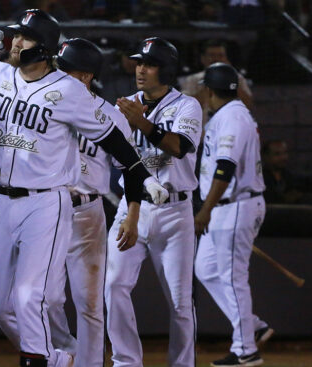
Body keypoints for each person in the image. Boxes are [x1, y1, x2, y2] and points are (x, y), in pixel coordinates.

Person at [0, 9, 156, 366]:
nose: (14, 42)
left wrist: (138, 182)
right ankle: (58, 357)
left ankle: (77, 361)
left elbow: (118, 146)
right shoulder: (1, 74)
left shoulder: (69, 92)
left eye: (23, 37)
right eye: (15, 35)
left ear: (45, 49)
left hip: (47, 203)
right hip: (1, 201)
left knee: (36, 298)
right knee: (0, 305)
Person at [107, 37, 202, 367]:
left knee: (180, 302)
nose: (140, 69)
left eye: (149, 64)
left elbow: (178, 147)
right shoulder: (126, 103)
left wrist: (143, 124)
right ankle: (126, 362)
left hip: (175, 212)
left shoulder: (187, 106)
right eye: (138, 63)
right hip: (133, 207)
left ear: (167, 69)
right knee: (114, 285)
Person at [46, 38, 132, 367]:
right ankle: (65, 351)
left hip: (87, 212)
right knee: (47, 297)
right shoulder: (46, 102)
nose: (56, 73)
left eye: (64, 69)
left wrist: (131, 212)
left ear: (84, 77)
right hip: (48, 207)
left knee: (90, 303)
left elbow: (131, 170)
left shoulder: (111, 116)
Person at [193, 62, 272, 367]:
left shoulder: (232, 118)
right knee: (206, 269)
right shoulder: (228, 115)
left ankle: (245, 349)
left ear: (209, 90)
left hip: (234, 205)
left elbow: (225, 169)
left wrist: (205, 211)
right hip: (229, 206)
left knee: (232, 278)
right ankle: (252, 325)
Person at [179, 39, 253, 117]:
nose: (216, 59)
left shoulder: (238, 78)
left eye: (220, 55)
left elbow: (248, 105)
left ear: (226, 58)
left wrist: (229, 78)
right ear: (203, 58)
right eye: (212, 55)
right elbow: (185, 107)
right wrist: (209, 82)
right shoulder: (192, 79)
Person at [262, 139, 304, 204]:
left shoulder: (289, 177)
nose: (283, 157)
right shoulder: (260, 179)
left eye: (285, 153)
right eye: (277, 154)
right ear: (266, 156)